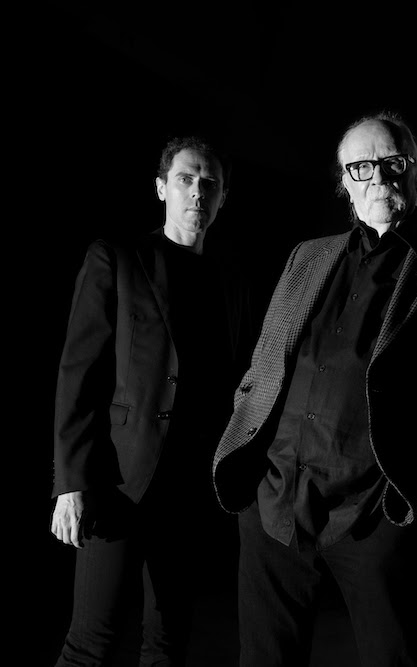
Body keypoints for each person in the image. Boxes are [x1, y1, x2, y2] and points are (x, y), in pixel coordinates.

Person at [211, 112, 417, 667]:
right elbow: (264, 362)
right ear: (345, 181)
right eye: (361, 167)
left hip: (373, 515)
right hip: (274, 502)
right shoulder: (308, 255)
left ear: (414, 171)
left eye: (392, 163)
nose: (379, 178)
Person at [50, 136, 248, 665]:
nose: (198, 192)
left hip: (188, 491)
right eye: (186, 179)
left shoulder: (230, 280)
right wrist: (71, 482)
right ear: (161, 188)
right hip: (117, 482)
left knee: (169, 643)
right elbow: (78, 374)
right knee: (90, 644)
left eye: (210, 183)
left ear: (223, 197)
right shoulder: (117, 258)